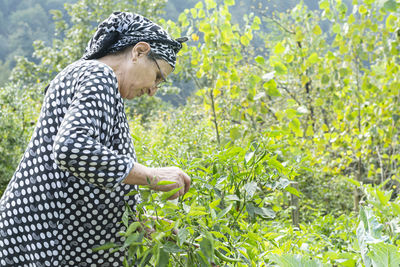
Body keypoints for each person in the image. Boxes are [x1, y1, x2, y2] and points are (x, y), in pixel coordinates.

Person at [0, 11, 191, 266]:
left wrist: (145, 223)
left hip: (40, 245)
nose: (153, 91)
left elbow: (87, 178)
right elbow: (72, 148)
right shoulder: (98, 75)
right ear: (139, 51)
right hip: (34, 248)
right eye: (158, 77)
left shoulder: (96, 82)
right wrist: (152, 176)